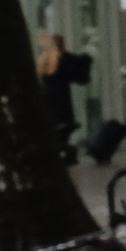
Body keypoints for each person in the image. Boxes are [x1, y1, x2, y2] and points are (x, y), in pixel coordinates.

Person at [35, 32, 90, 163]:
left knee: (55, 127)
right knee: (63, 127)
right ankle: (65, 153)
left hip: (47, 97)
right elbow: (80, 77)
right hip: (61, 98)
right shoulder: (64, 58)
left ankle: (58, 152)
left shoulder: (44, 59)